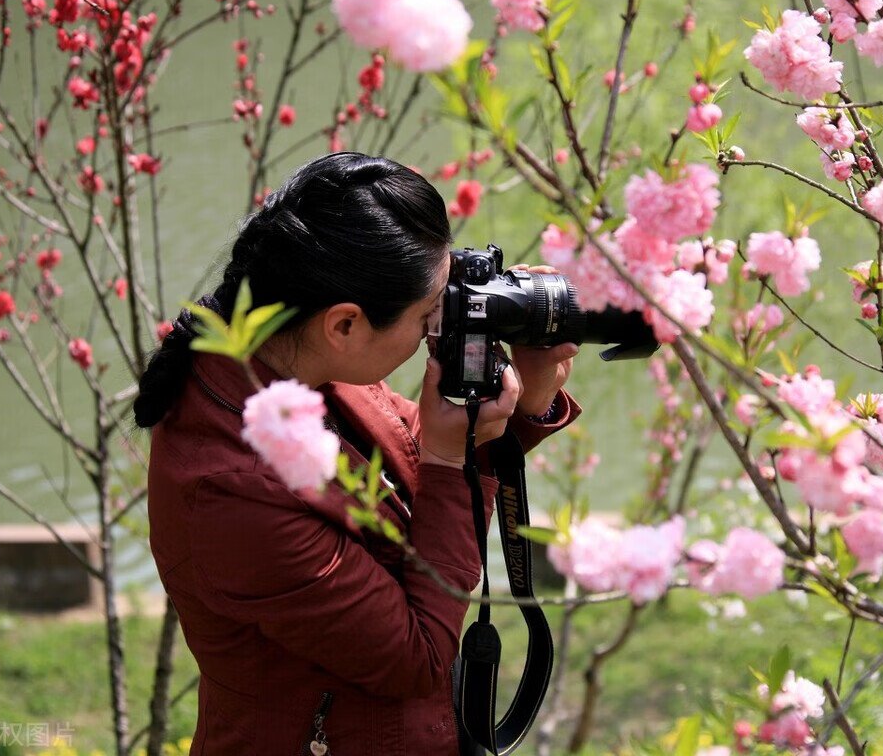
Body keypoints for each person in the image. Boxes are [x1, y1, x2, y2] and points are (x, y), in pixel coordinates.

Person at [133, 152, 581, 754]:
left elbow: (410, 476)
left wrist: (522, 406)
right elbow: (417, 657)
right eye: (430, 314)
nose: (440, 329)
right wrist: (452, 461)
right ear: (344, 324)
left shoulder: (299, 365)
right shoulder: (228, 488)